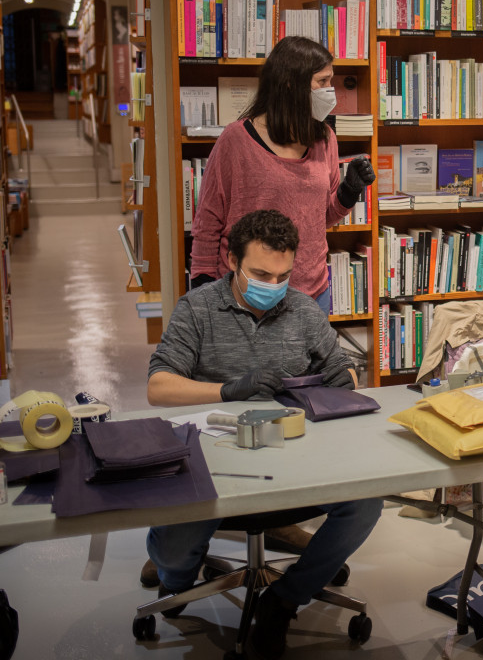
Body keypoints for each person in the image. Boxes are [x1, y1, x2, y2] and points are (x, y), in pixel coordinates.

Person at [146, 209, 380, 659]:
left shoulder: (303, 310)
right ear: (232, 261)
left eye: (282, 275)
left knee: (367, 499)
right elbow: (158, 387)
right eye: (259, 273)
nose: (272, 286)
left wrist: (335, 382)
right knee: (174, 552)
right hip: (215, 461)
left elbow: (345, 370)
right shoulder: (197, 308)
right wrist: (227, 390)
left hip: (293, 457)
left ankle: (285, 599)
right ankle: (177, 583)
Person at [189, 36, 376, 314]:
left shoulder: (324, 138)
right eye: (322, 82)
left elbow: (319, 219)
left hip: (312, 294)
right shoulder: (236, 140)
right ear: (291, 84)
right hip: (248, 295)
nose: (330, 91)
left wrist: (349, 192)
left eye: (331, 81)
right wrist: (204, 291)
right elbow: (207, 222)